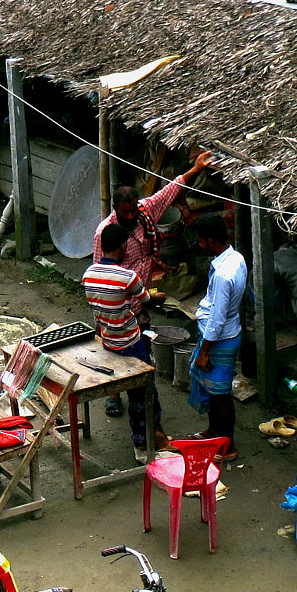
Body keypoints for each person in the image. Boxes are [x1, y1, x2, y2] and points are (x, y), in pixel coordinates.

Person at [91, 149, 216, 416]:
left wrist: (195, 169)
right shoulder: (106, 232)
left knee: (140, 349)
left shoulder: (145, 212)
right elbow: (100, 274)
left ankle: (140, 393)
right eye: (125, 212)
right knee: (112, 348)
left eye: (132, 210)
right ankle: (113, 393)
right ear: (116, 210)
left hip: (140, 298)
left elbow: (169, 191)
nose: (130, 215)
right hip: (116, 304)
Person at [83, 223, 167, 462]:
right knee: (144, 393)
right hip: (129, 341)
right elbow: (146, 299)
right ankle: (145, 445)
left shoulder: (88, 274)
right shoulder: (129, 277)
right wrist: (158, 296)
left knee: (137, 391)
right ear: (122, 247)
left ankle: (151, 438)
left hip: (107, 338)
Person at [187, 213, 247, 458]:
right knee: (214, 390)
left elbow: (217, 319)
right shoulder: (236, 257)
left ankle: (227, 445)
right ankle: (214, 431)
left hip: (220, 340)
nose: (199, 244)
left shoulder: (223, 275)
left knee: (220, 394)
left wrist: (204, 351)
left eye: (201, 240)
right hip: (225, 334)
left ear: (211, 241)